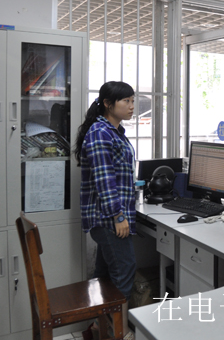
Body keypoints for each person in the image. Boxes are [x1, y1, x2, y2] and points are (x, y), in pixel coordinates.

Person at [74, 81, 137, 340]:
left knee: (104, 275)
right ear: (109, 104)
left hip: (110, 215)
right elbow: (104, 180)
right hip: (109, 218)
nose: (132, 106)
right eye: (126, 101)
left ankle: (99, 327)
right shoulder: (101, 132)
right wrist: (118, 216)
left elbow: (118, 174)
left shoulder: (115, 131)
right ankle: (118, 331)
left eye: (133, 101)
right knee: (124, 270)